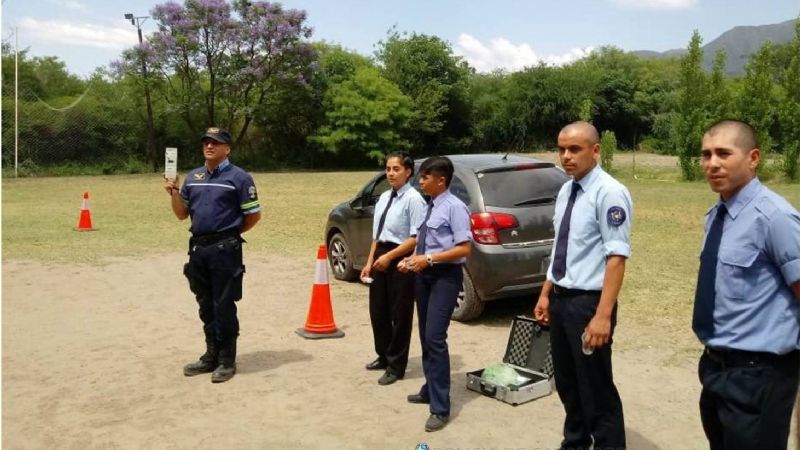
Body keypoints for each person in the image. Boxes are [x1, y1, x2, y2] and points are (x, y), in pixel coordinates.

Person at [692, 119, 800, 450]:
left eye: (723, 153)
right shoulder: (717, 215)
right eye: (706, 154)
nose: (712, 164)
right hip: (716, 367)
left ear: (753, 158)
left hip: (760, 375)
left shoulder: (775, 217)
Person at [533, 121, 631, 450]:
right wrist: (547, 294)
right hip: (561, 300)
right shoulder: (567, 190)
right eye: (561, 149)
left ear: (596, 150)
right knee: (568, 383)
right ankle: (574, 443)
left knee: (596, 388)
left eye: (574, 149)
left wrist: (602, 316)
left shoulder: (609, 192)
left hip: (588, 304)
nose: (566, 156)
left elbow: (616, 257)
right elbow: (563, 248)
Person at [164, 126, 261, 383]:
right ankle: (211, 355)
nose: (209, 146)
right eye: (206, 142)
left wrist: (228, 235)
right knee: (205, 304)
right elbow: (181, 214)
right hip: (198, 250)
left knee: (223, 305)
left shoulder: (240, 178)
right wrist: (174, 192)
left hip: (225, 251)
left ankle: (227, 360)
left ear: (227, 149)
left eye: (215, 143)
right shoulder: (193, 177)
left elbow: (253, 215)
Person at [400, 156, 472, 432]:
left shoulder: (455, 208)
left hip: (444, 277)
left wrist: (428, 259)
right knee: (425, 337)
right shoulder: (430, 206)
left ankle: (440, 407)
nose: (420, 181)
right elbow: (424, 241)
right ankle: (430, 388)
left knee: (435, 338)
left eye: (424, 177)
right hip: (424, 276)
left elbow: (464, 248)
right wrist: (412, 259)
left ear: (441, 180)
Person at [361, 151, 426, 386]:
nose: (390, 173)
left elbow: (416, 237)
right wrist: (370, 263)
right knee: (378, 311)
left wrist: (389, 257)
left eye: (396, 169)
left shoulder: (413, 199)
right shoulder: (384, 197)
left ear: (408, 172)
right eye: (388, 169)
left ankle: (396, 365)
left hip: (401, 258)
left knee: (400, 313)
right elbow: (377, 235)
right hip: (381, 255)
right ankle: (383, 354)